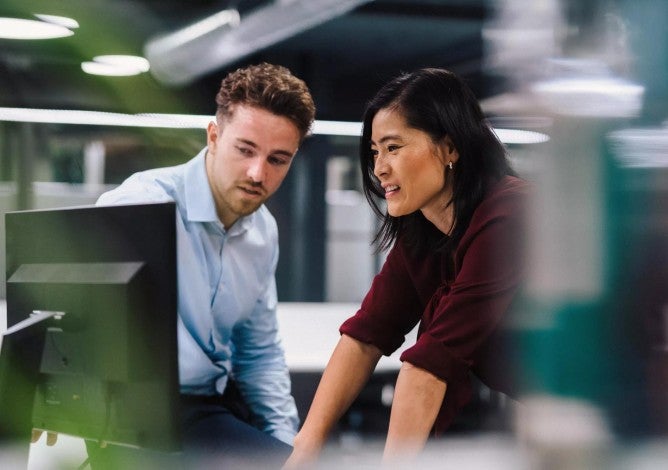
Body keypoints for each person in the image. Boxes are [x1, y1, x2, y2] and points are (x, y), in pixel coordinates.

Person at [285, 68, 530, 467]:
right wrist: (304, 448)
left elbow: (429, 366)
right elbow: (364, 337)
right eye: (375, 151)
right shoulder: (426, 231)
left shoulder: (509, 218)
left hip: (633, 410)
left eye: (393, 147)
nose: (379, 168)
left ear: (450, 148)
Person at [90, 62, 316, 467]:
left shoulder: (263, 233)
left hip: (204, 408)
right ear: (214, 136)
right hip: (127, 411)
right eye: (245, 149)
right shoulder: (144, 203)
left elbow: (258, 353)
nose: (257, 173)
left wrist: (288, 450)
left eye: (278, 159)